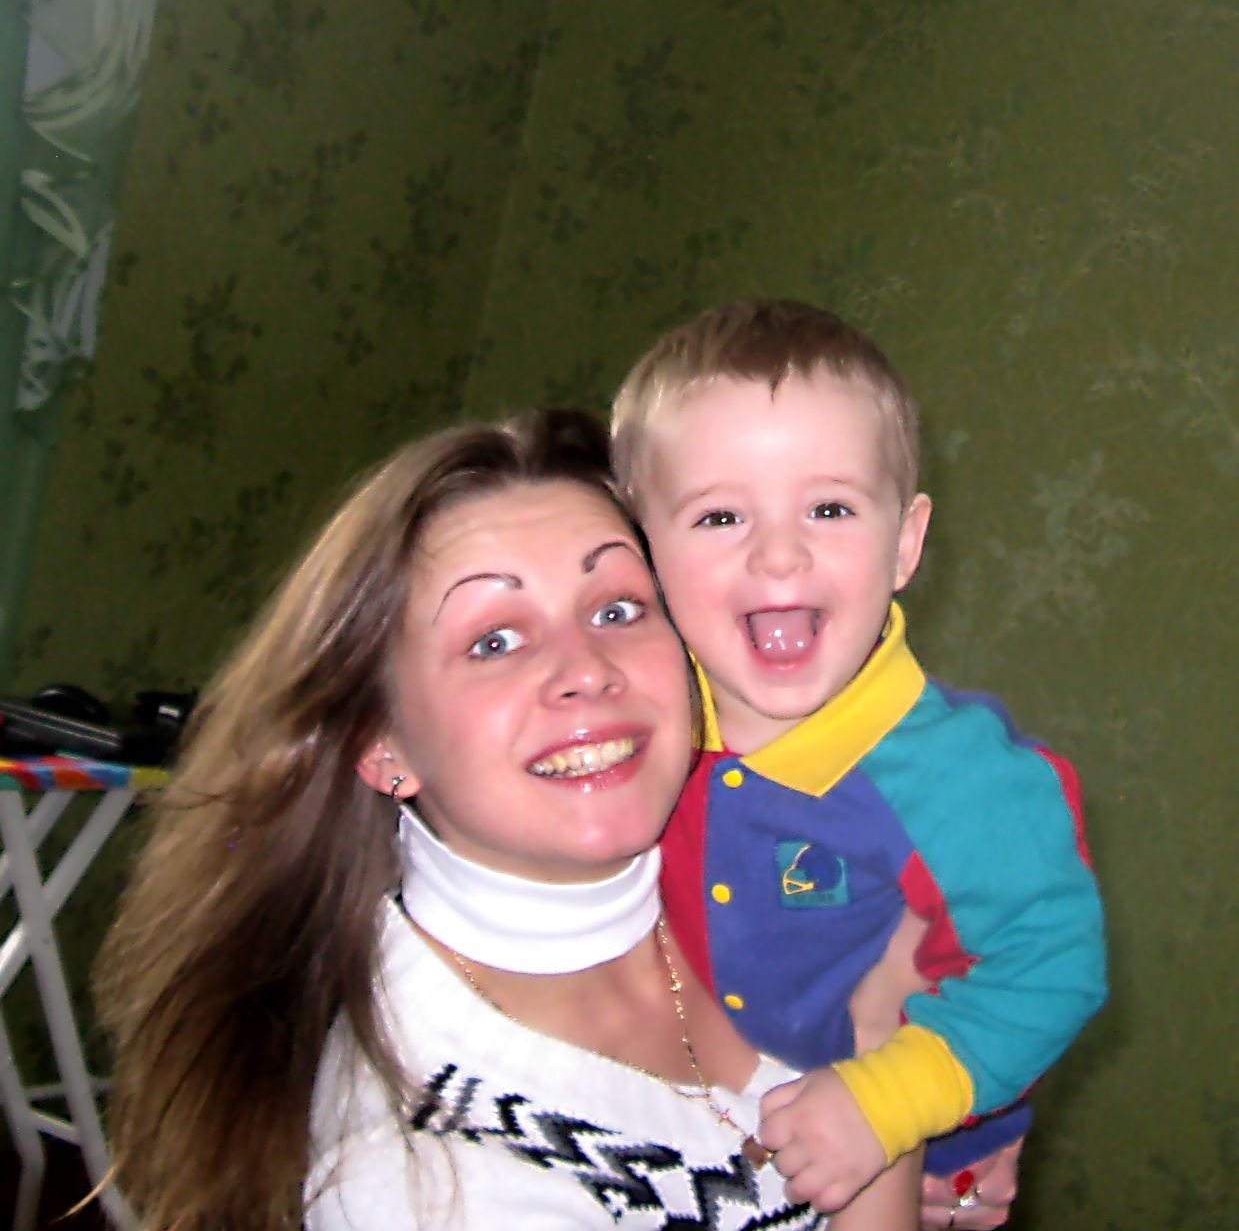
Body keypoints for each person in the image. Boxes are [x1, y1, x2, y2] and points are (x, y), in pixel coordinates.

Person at [94, 408, 924, 1230]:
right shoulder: (422, 1176)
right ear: (381, 742)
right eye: (493, 641)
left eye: (617, 609)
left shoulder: (782, 865)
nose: (584, 670)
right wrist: (893, 1087)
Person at [610, 299, 1108, 1216]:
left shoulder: (967, 780)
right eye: (719, 516)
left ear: (905, 543)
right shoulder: (636, 733)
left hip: (911, 1158)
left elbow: (1049, 966)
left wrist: (886, 1104)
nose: (779, 555)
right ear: (643, 552)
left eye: (829, 508)